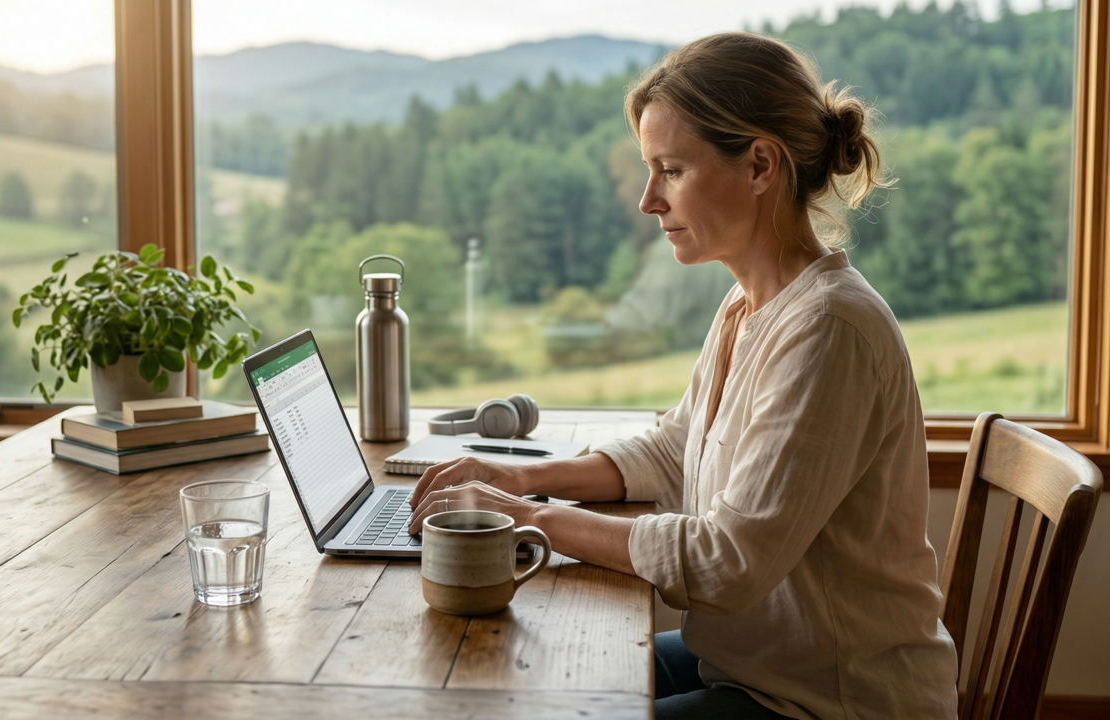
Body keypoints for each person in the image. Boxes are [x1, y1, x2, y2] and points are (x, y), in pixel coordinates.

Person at [408, 32, 959, 720]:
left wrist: (530, 520)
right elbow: (674, 447)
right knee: (537, 678)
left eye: (670, 169)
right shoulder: (748, 303)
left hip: (830, 702)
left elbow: (726, 563)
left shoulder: (828, 330)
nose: (648, 200)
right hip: (752, 665)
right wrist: (522, 478)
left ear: (760, 165)